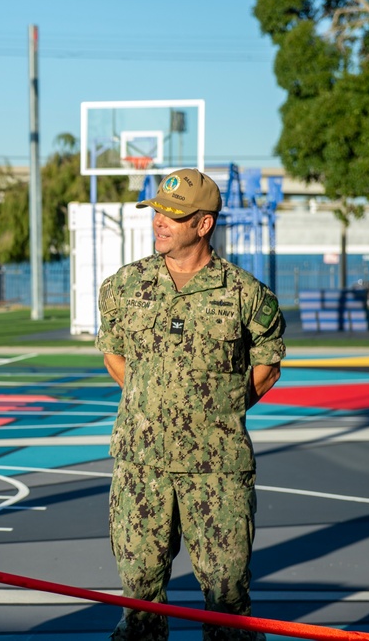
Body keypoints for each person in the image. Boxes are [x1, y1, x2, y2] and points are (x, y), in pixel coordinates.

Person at [95, 168, 285, 640]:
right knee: (138, 600)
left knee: (227, 604)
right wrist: (148, 400)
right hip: (142, 466)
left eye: (173, 215)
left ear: (203, 225)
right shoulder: (124, 287)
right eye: (158, 210)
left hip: (217, 470)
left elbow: (267, 364)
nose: (159, 221)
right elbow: (113, 354)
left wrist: (217, 412)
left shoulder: (245, 294)